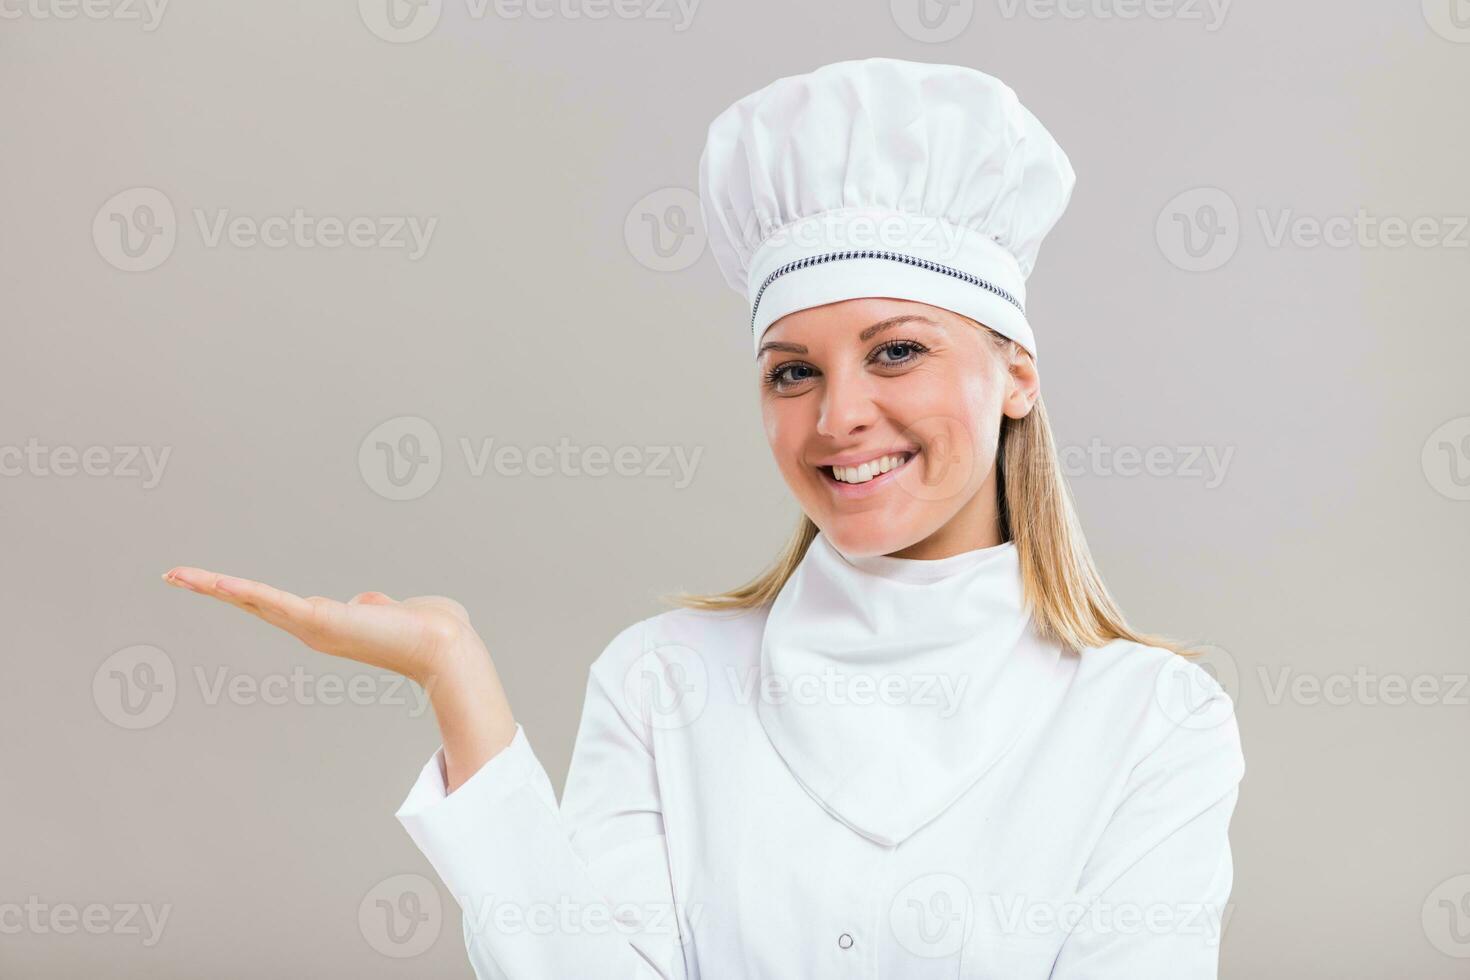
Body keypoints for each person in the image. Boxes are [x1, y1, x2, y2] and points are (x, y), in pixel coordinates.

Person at [163, 57, 1244, 979]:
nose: (839, 415)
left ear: (1015, 375)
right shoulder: (663, 680)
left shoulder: (1155, 719)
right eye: (791, 371)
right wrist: (457, 677)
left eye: (896, 349)